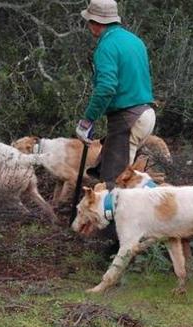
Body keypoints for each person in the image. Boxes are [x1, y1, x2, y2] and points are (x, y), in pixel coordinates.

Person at [76, 0, 155, 190]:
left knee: (114, 184)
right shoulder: (135, 41)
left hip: (128, 119)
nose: (89, 26)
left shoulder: (106, 47)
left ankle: (114, 220)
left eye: (89, 22)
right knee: (126, 178)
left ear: (96, 23)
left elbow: (106, 88)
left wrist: (87, 120)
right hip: (146, 114)